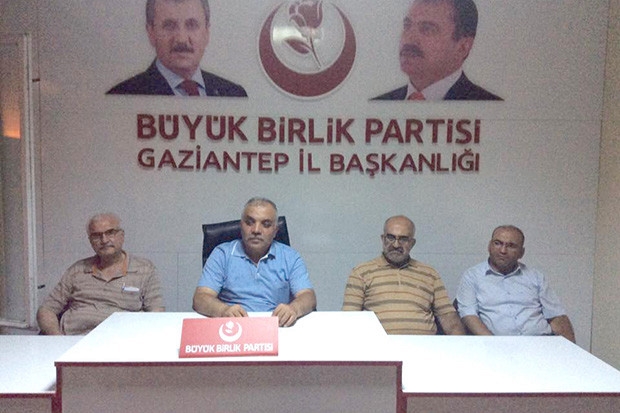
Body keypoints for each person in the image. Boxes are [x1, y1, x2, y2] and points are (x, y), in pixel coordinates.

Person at [193, 197, 316, 327]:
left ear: (275, 231)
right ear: (241, 226)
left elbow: (308, 296)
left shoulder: (290, 257)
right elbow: (200, 298)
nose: (256, 230)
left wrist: (294, 309)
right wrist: (223, 310)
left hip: (276, 326)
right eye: (249, 222)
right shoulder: (222, 254)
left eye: (266, 224)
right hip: (233, 326)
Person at [37, 213, 165, 335]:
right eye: (97, 236)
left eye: (110, 232)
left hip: (122, 341)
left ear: (121, 236)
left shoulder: (144, 269)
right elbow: (46, 309)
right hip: (74, 339)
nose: (104, 240)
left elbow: (156, 312)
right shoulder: (77, 270)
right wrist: (57, 338)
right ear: (90, 241)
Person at [342, 215, 465, 335]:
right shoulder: (361, 272)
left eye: (403, 239)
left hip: (424, 346)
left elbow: (449, 318)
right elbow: (349, 320)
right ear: (382, 239)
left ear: (412, 243)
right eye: (390, 237)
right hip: (378, 346)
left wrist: (463, 345)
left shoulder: (429, 274)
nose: (396, 245)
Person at [456, 225, 576, 342]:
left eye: (511, 246)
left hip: (541, 342)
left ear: (521, 253)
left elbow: (557, 317)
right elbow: (469, 316)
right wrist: (493, 344)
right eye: (497, 243)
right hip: (498, 344)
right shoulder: (472, 276)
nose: (503, 250)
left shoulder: (535, 277)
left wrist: (572, 350)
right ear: (489, 246)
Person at [107, 0, 247, 97]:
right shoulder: (123, 95)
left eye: (191, 25)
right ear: (151, 32)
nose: (181, 39)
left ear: (207, 32)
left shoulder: (234, 93)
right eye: (169, 25)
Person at [373, 0, 501, 101]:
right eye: (407, 26)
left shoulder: (489, 106)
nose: (408, 39)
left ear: (463, 47)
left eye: (427, 29)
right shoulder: (380, 103)